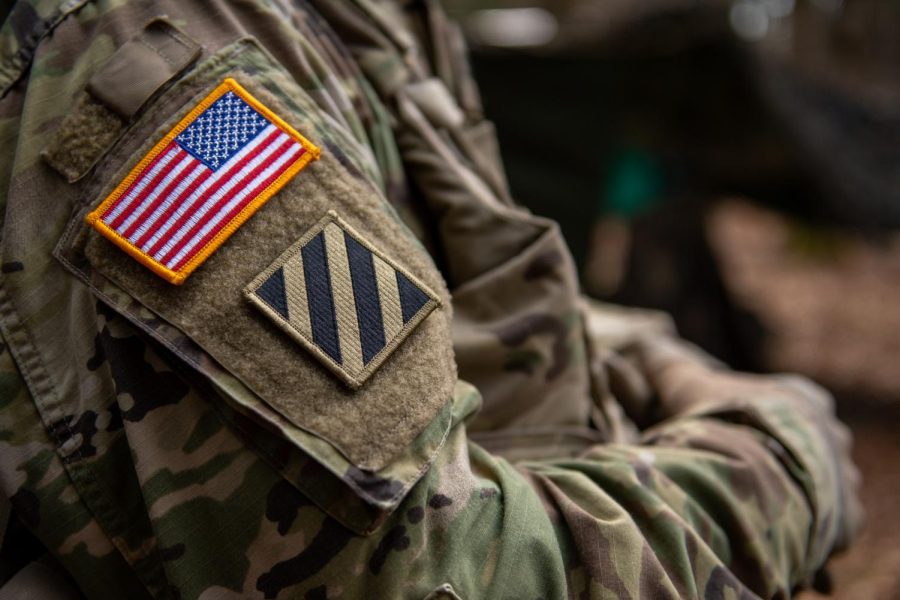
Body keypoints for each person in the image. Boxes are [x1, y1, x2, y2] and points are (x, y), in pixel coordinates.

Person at [0, 0, 861, 598]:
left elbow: (406, 285)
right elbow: (433, 572)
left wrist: (624, 348)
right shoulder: (155, 62)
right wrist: (777, 470)